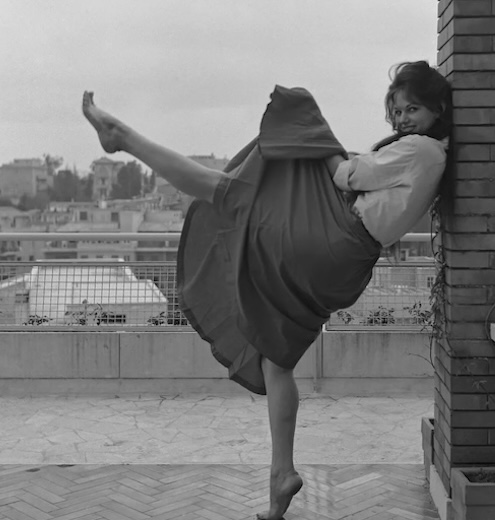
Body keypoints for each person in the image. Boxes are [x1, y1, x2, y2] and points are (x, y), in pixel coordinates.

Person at [82, 60, 451, 520]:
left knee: (270, 144)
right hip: (345, 264)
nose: (401, 120)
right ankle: (282, 476)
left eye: (411, 109)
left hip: (333, 236)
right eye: (395, 111)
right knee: (278, 363)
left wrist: (319, 148)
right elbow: (366, 177)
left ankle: (124, 138)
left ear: (438, 108)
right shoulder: (428, 152)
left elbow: (346, 177)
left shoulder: (421, 150)